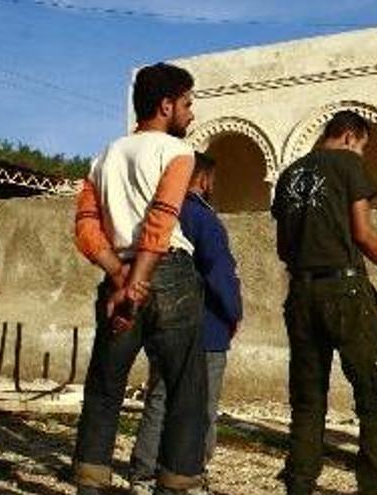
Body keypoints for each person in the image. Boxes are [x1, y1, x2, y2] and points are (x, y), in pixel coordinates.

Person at [72, 62, 207, 495]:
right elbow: (162, 218)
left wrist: (119, 275)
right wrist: (138, 279)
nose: (191, 113)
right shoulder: (177, 152)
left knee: (105, 385)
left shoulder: (102, 157)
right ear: (166, 105)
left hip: (120, 276)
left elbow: (86, 227)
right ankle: (175, 485)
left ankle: (90, 482)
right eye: (188, 103)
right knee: (185, 386)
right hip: (166, 274)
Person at [270, 110, 377, 495]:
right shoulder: (348, 164)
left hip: (300, 294)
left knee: (308, 400)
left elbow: (284, 248)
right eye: (363, 147)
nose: (361, 155)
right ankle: (376, 488)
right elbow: (363, 234)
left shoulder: (289, 174)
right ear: (350, 136)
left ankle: (299, 485)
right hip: (344, 290)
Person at [129, 152, 243, 494]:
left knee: (160, 397)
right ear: (204, 179)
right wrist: (233, 312)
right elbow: (220, 272)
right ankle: (189, 474)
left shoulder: (162, 215)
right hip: (206, 327)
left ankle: (143, 473)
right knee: (202, 406)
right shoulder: (205, 220)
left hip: (164, 321)